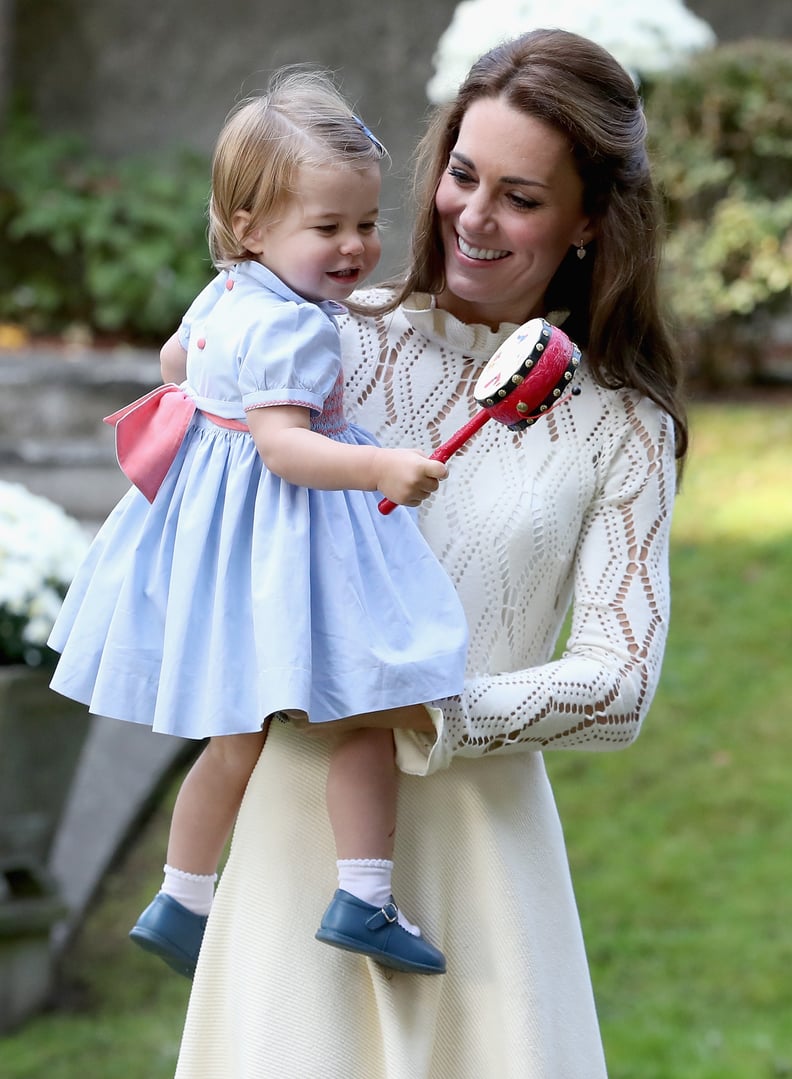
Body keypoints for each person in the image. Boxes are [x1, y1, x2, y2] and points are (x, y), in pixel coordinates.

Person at [173, 28, 688, 1079]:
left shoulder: (622, 426)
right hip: (292, 838)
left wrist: (417, 706)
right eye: (462, 174)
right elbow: (202, 511)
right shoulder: (324, 338)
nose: (474, 215)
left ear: (590, 220)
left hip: (481, 860)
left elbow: (619, 683)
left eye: (522, 196)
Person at [47, 67, 469, 981]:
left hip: (224, 545)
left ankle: (183, 895)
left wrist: (213, 391)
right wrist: (381, 464)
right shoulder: (302, 330)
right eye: (329, 228)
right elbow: (286, 450)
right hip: (287, 535)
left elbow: (173, 363)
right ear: (250, 224)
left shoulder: (229, 294)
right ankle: (363, 894)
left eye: (365, 223)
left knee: (234, 738)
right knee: (364, 707)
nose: (355, 247)